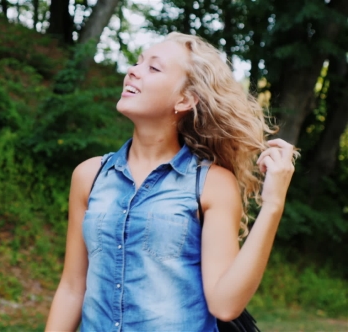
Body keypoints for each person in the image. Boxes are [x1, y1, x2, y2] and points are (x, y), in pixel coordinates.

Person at [44, 32, 297, 332]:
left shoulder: (211, 184)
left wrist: (272, 205)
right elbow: (73, 289)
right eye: (137, 63)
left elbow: (225, 305)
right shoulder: (90, 176)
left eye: (153, 68)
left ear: (185, 99)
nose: (133, 71)